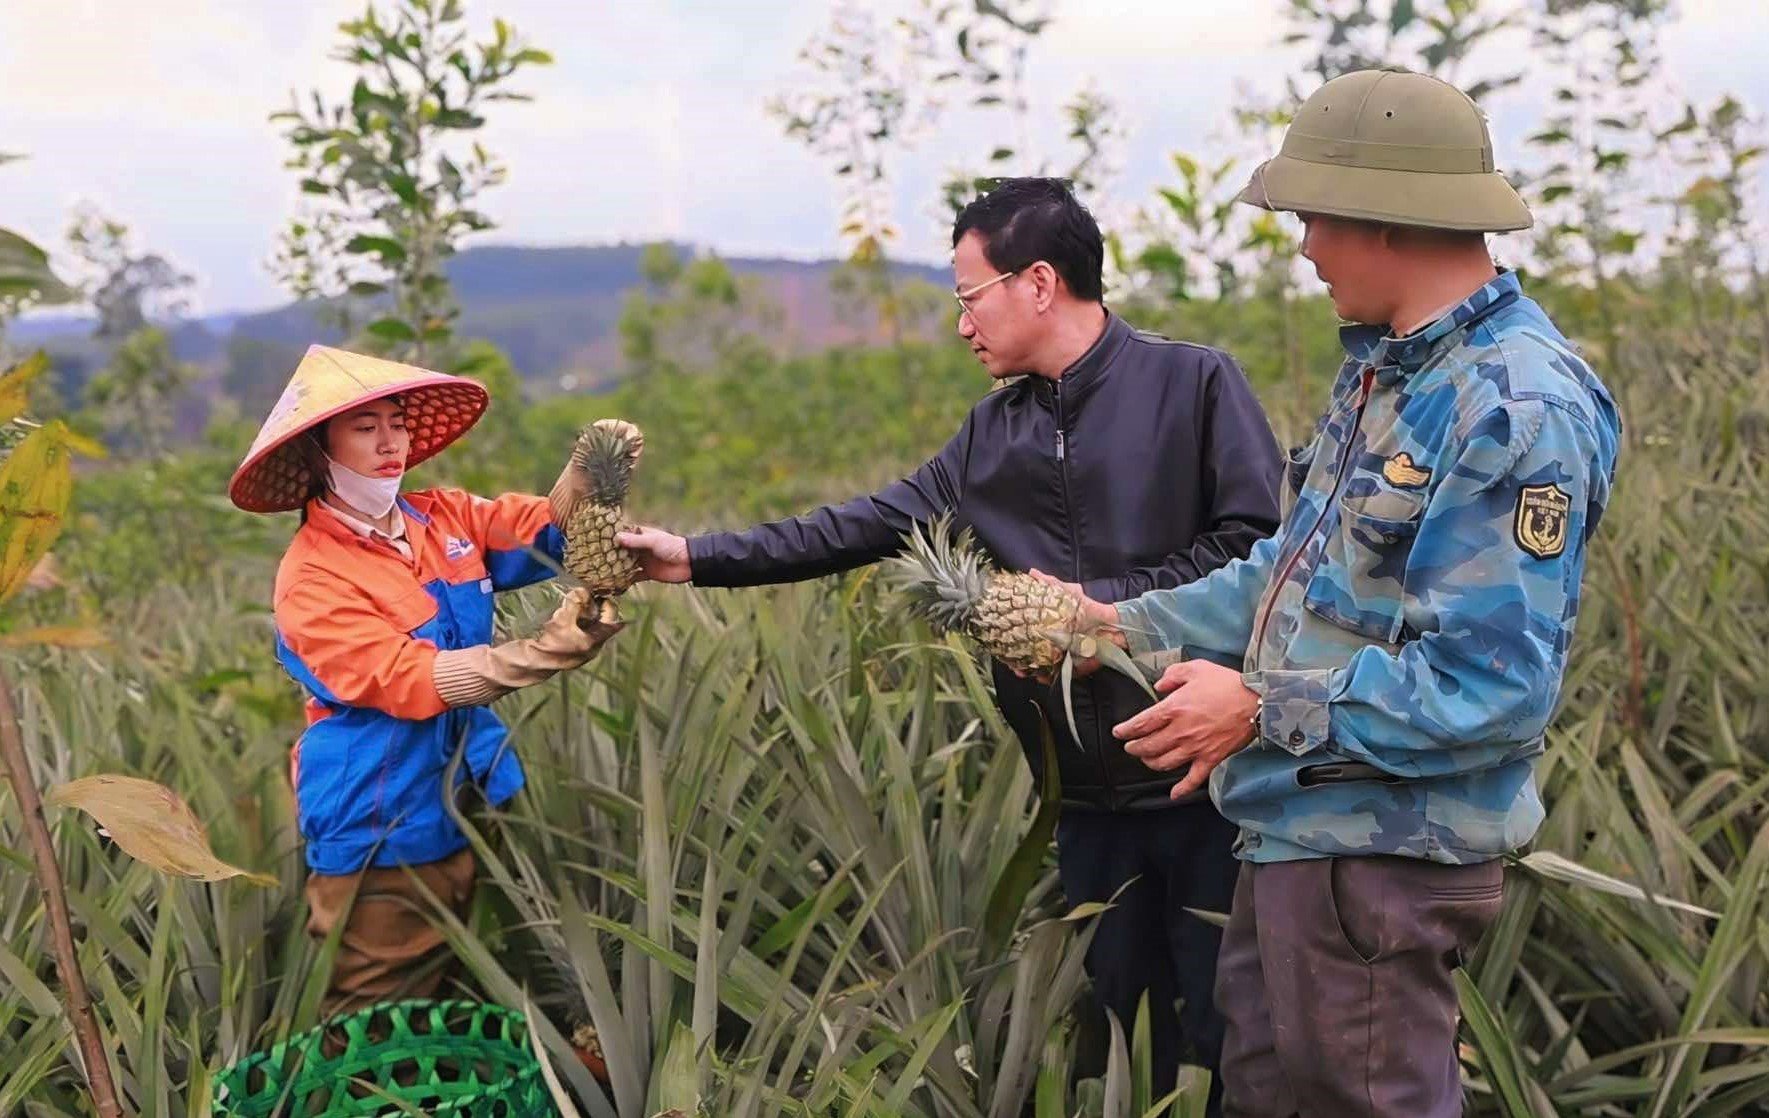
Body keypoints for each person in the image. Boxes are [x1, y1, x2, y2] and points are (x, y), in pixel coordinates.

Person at [618, 177, 1282, 1102]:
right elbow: (859, 524)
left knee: (1233, 1043)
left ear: (1038, 282)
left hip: (1209, 788)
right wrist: (695, 557)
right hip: (1083, 803)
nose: (962, 324)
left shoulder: (1194, 383)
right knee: (1121, 1054)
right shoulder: (989, 434)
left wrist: (1096, 609)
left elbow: (1256, 553)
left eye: (969, 297)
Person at [1045, 70, 1622, 1116]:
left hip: (1382, 857)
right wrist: (1114, 621)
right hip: (1303, 837)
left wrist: (1260, 706)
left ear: (1386, 217)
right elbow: (1286, 576)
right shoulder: (1391, 376)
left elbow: (1488, 687)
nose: (1305, 245)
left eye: (1315, 217)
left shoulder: (1512, 406)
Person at [228, 345, 623, 1013]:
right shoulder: (313, 578)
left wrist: (582, 488)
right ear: (317, 451)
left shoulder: (440, 517)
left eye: (398, 422)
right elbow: (409, 680)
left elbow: (530, 534)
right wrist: (542, 651)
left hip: (476, 781)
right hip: (380, 812)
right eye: (364, 427)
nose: (390, 442)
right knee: (379, 1009)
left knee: (482, 975)